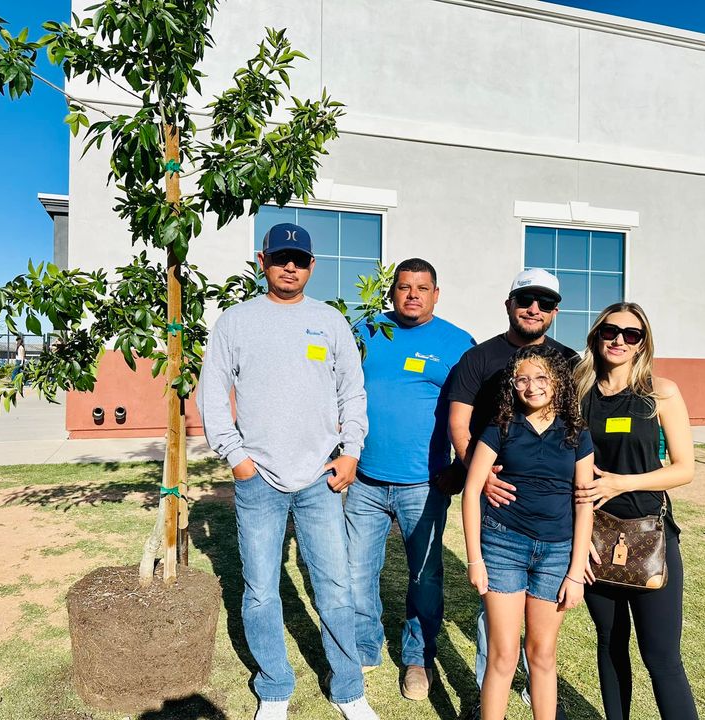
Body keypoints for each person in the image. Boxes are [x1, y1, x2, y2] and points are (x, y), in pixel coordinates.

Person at [197, 222, 379, 720]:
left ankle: (348, 689)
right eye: (280, 258)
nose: (290, 267)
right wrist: (236, 457)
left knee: (336, 589)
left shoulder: (330, 322)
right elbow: (212, 394)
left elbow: (352, 393)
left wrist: (351, 451)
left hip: (322, 479)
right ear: (263, 261)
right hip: (259, 481)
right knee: (260, 590)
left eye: (299, 259)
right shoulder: (236, 322)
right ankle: (274, 687)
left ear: (312, 266)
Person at [486, 302, 699, 720]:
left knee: (661, 657)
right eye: (610, 331)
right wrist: (491, 470)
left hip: (647, 534)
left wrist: (623, 482)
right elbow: (536, 438)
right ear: (597, 336)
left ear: (642, 344)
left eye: (631, 334)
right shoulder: (576, 394)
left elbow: (685, 469)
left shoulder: (661, 393)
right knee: (610, 642)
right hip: (592, 541)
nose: (619, 340)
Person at [447, 268, 577, 719]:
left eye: (544, 302)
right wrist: (479, 475)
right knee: (498, 643)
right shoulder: (480, 360)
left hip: (555, 533)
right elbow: (460, 424)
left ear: (555, 312)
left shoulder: (570, 363)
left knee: (542, 651)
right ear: (509, 303)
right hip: (500, 515)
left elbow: (582, 463)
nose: (534, 308)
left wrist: (580, 557)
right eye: (526, 299)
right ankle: (488, 701)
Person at [345, 258, 475, 701]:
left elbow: (474, 412)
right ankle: (364, 647)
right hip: (363, 480)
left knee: (424, 576)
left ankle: (418, 658)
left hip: (425, 483)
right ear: (392, 292)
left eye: (422, 287)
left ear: (436, 293)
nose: (413, 294)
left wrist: (462, 464)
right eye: (404, 287)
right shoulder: (366, 333)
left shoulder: (457, 344)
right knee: (358, 571)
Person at [463, 345, 593, 720]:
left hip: (556, 554)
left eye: (540, 378)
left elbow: (584, 502)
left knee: (542, 654)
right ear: (513, 386)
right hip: (504, 545)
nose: (531, 386)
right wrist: (475, 560)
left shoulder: (576, 433)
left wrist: (575, 571)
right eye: (522, 379)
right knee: (503, 655)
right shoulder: (501, 426)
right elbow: (472, 492)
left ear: (556, 381)